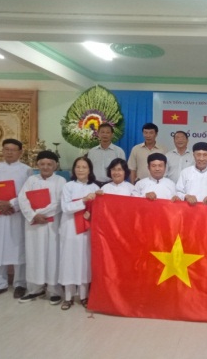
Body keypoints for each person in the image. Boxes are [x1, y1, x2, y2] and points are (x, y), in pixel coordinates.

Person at [0, 139, 32, 300]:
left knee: (18, 248)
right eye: (6, 149)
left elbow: (27, 192)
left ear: (20, 152)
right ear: (2, 151)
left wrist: (11, 204)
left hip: (16, 215)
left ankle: (20, 284)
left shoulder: (27, 170)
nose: (9, 152)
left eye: (13, 149)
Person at [17, 151, 66, 305]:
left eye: (49, 164)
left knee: (52, 256)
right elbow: (22, 199)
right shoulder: (31, 180)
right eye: (42, 164)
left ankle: (54, 290)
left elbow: (59, 203)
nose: (46, 167)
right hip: (34, 226)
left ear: (55, 165)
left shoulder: (61, 181)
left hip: (52, 225)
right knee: (34, 255)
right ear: (37, 165)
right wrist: (33, 216)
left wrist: (39, 213)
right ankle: (34, 289)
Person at [58, 156, 99, 311]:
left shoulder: (95, 187)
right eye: (78, 167)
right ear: (74, 169)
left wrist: (91, 213)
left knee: (84, 261)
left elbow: (99, 210)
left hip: (86, 230)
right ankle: (68, 296)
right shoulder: (68, 186)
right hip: (70, 228)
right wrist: (83, 201)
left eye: (84, 167)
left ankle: (84, 296)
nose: (81, 170)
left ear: (90, 170)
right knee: (69, 260)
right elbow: (66, 207)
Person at [87, 123, 126, 187]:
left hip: (113, 184)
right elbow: (88, 169)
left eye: (108, 132)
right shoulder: (92, 152)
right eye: (102, 132)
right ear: (98, 134)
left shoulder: (119, 151)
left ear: (112, 135)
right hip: (94, 184)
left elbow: (123, 170)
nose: (105, 134)